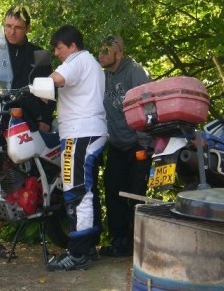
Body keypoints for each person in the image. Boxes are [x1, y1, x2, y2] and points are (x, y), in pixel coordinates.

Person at [0, 5, 55, 259]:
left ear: (27, 29)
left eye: (17, 28)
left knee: (13, 175)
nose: (11, 32)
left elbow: (50, 91)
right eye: (8, 26)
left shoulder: (38, 54)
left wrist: (46, 119)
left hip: (23, 119)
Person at [45, 25, 107, 272]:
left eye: (59, 48)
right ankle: (89, 245)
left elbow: (56, 79)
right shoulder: (90, 62)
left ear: (71, 46)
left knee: (76, 190)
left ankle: (78, 253)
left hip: (80, 133)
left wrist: (37, 85)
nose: (57, 53)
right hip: (90, 131)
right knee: (88, 189)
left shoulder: (77, 59)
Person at [98, 34, 152, 257]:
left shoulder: (134, 72)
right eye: (99, 50)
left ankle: (136, 243)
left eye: (105, 51)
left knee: (135, 194)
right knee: (112, 191)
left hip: (137, 144)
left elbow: (147, 106)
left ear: (119, 53)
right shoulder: (103, 76)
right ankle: (119, 240)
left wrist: (145, 143)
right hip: (117, 145)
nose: (100, 55)